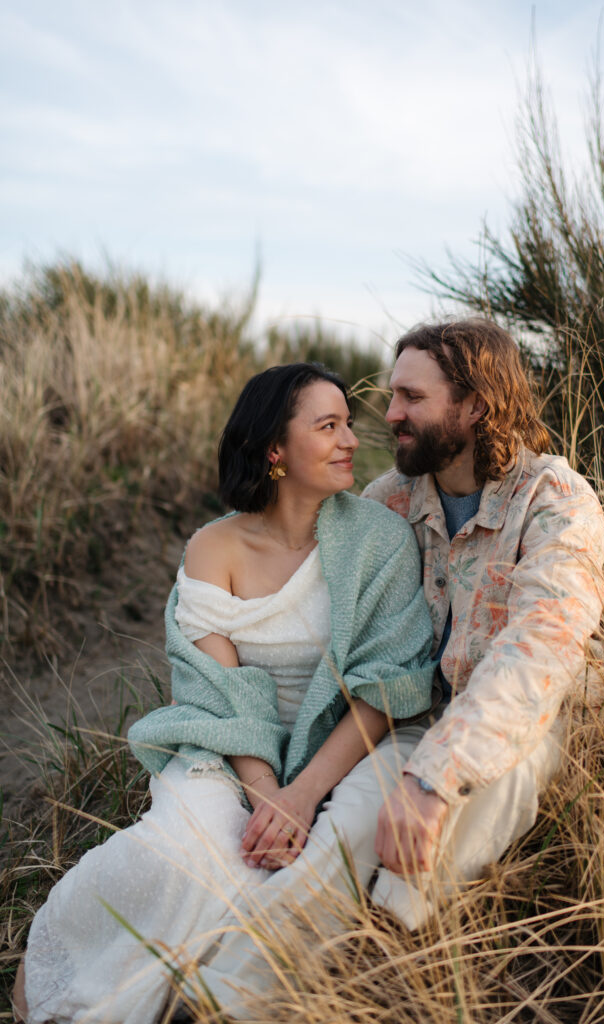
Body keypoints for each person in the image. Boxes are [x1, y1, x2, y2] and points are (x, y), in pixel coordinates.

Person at [16, 362, 435, 1023]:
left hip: (348, 747)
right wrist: (266, 794)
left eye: (348, 424)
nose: (351, 439)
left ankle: (208, 1005)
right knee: (181, 857)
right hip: (231, 754)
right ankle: (78, 993)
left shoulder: (376, 538)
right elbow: (220, 691)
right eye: (327, 426)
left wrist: (300, 797)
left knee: (285, 875)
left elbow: (388, 683)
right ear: (274, 448)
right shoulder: (212, 548)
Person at [364, 319, 604, 926]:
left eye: (412, 398)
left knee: (405, 895)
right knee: (334, 852)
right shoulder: (389, 500)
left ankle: (384, 960)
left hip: (531, 724)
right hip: (413, 722)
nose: (391, 413)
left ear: (474, 406)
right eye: (393, 394)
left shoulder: (554, 498)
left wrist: (432, 779)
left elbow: (540, 650)